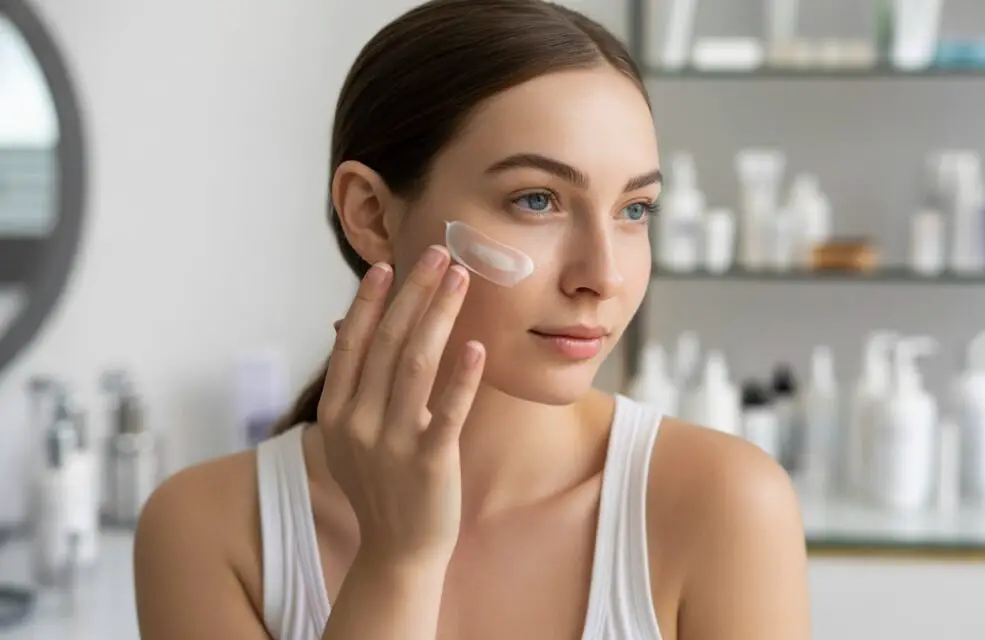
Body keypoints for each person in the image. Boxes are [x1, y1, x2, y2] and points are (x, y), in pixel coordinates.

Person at [133, 0, 811, 638]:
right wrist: (399, 561)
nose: (602, 276)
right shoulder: (207, 529)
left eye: (634, 210)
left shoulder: (725, 506)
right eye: (537, 200)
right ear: (371, 213)